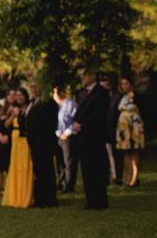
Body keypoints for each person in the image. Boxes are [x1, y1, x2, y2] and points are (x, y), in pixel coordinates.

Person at [73, 71, 112, 210]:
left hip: (95, 135)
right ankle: (90, 199)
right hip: (83, 138)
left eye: (85, 75)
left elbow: (98, 114)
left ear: (93, 76)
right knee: (86, 169)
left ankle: (100, 201)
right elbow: (79, 111)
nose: (82, 78)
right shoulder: (82, 93)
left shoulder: (101, 92)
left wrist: (83, 126)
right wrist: (76, 123)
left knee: (97, 168)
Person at [25, 82, 59, 207]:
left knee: (47, 170)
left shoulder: (48, 103)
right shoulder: (32, 102)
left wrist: (40, 139)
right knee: (38, 171)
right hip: (34, 143)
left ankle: (49, 199)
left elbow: (51, 124)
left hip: (44, 143)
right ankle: (39, 198)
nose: (33, 89)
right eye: (32, 87)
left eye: (36, 87)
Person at [1, 89, 34, 208]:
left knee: (26, 165)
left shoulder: (30, 107)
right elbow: (5, 124)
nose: (19, 98)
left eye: (21, 95)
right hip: (15, 140)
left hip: (25, 140)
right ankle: (15, 196)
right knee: (16, 166)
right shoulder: (12, 109)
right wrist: (14, 114)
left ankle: (26, 196)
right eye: (17, 95)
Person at [116, 78, 144, 187]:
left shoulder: (136, 97)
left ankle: (135, 177)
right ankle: (129, 176)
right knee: (126, 152)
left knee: (134, 151)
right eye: (122, 84)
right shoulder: (123, 98)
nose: (124, 86)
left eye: (126, 83)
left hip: (134, 126)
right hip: (124, 127)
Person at [54, 87, 78, 193]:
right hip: (58, 137)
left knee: (68, 162)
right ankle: (62, 183)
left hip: (67, 137)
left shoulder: (70, 105)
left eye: (59, 92)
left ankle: (69, 185)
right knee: (60, 163)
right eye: (55, 92)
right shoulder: (56, 106)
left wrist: (67, 133)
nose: (57, 94)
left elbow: (76, 120)